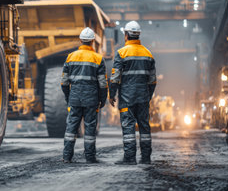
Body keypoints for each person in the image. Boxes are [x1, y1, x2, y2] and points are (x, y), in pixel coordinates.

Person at [109, 21, 156, 165]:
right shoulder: (148, 54)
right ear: (138, 35)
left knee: (128, 126)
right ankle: (146, 157)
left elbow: (115, 77)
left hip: (126, 98)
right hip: (143, 97)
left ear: (126, 35)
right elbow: (153, 81)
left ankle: (130, 158)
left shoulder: (121, 53)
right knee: (144, 126)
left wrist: (112, 94)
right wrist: (148, 96)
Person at [60, 27, 108, 163]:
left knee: (71, 128)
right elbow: (103, 84)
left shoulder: (70, 57)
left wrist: (68, 96)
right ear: (93, 41)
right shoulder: (98, 59)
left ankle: (67, 157)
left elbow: (64, 82)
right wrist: (102, 99)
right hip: (91, 99)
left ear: (80, 40)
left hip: (74, 98)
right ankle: (90, 157)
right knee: (90, 128)